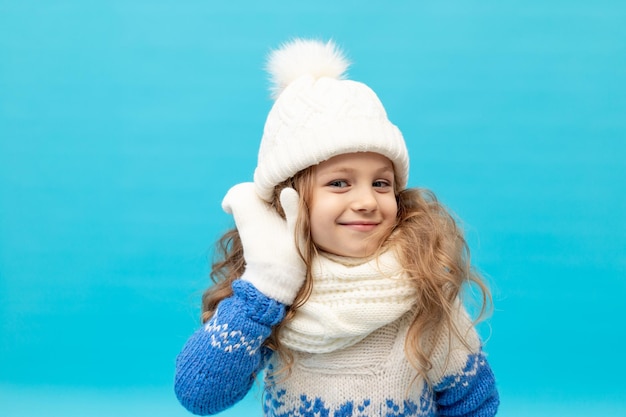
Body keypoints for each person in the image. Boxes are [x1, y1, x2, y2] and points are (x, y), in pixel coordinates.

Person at [174, 38, 499, 417]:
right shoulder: (274, 302)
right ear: (288, 200)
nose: (366, 200)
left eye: (381, 183)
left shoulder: (422, 291)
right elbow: (199, 395)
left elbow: (473, 402)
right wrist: (266, 287)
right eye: (339, 183)